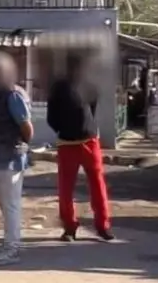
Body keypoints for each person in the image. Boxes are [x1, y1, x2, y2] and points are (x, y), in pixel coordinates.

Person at [48, 52, 114, 242]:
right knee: (66, 188)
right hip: (68, 143)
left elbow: (92, 107)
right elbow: (52, 116)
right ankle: (70, 228)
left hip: (88, 141)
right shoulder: (58, 87)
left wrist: (84, 128)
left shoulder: (89, 85)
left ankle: (102, 226)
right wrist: (65, 129)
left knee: (97, 184)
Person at [0, 51, 33, 267]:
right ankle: (8, 243)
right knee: (4, 203)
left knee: (10, 204)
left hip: (11, 156)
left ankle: (12, 248)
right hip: (0, 155)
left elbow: (26, 127)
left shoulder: (13, 95)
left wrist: (21, 145)